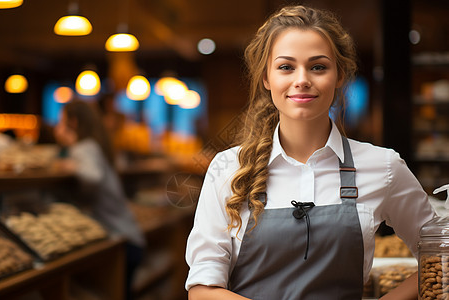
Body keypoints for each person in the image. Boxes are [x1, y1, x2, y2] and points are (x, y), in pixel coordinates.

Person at [185, 5, 436, 300]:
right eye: (286, 67)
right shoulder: (227, 168)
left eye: (318, 66)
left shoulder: (384, 166)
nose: (302, 79)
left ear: (339, 75)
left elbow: (439, 254)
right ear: (267, 78)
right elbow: (202, 290)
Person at [53, 99, 146, 300]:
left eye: (60, 122)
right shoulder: (95, 146)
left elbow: (93, 176)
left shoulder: (84, 147)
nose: (56, 128)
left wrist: (70, 166)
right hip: (129, 238)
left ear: (74, 123)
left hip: (122, 240)